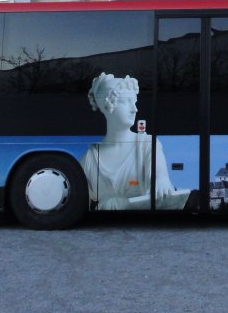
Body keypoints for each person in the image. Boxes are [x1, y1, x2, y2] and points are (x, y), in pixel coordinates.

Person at [80, 73, 189, 210]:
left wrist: (162, 182)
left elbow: (161, 179)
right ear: (107, 106)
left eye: (134, 102)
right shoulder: (89, 159)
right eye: (126, 101)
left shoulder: (148, 145)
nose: (134, 109)